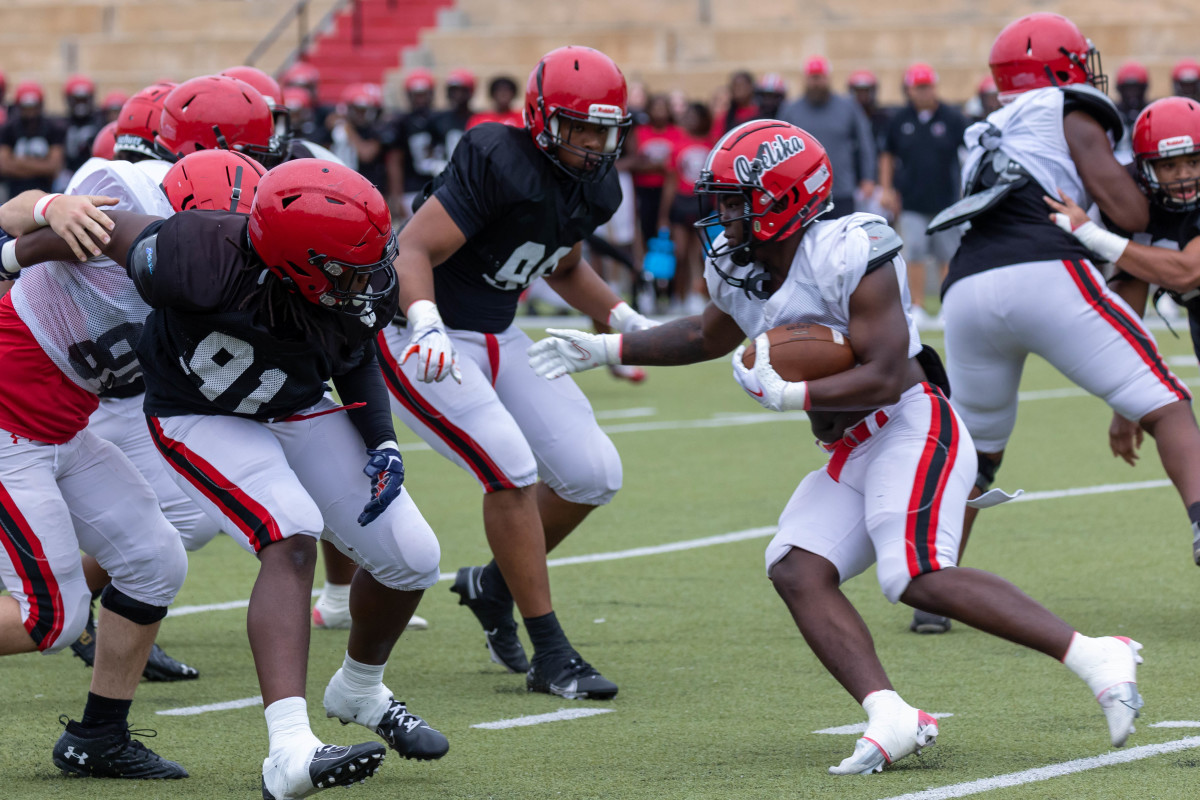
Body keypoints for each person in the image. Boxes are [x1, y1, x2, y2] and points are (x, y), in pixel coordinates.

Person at [528, 118, 1146, 773]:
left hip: (914, 422)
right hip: (853, 446)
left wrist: (788, 396)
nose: (722, 213)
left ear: (783, 198)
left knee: (912, 575)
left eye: (737, 200)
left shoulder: (852, 247)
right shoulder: (742, 265)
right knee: (796, 566)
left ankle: (1094, 653)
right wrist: (604, 346)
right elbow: (708, 334)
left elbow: (882, 374)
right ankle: (891, 713)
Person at [14, 158, 449, 797]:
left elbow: (356, 356)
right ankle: (289, 751)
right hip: (196, 412)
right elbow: (98, 230)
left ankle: (358, 689)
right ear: (296, 263)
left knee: (413, 556)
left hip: (294, 404)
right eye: (349, 269)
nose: (372, 277)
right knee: (291, 531)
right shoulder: (194, 254)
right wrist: (8, 253)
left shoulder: (357, 278)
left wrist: (382, 441)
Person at [378, 45, 650, 700]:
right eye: (579, 127)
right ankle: (550, 652)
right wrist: (425, 321)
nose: (592, 144)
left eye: (602, 129)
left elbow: (561, 265)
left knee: (592, 472)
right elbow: (411, 246)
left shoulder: (598, 186)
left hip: (500, 333)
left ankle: (492, 585)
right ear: (542, 119)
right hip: (424, 332)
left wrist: (621, 317)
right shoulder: (498, 156)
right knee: (508, 466)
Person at [936, 14, 1200, 579]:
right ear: (1064, 67)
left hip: (965, 291)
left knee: (978, 450)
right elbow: (1130, 213)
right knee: (1170, 404)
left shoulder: (983, 130)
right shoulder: (1069, 109)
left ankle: (937, 576)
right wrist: (1103, 223)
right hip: (1045, 270)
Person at [0, 164, 189, 781]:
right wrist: (52, 203)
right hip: (7, 424)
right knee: (50, 619)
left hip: (62, 429)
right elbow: (17, 215)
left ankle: (99, 737)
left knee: (154, 559)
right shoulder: (130, 199)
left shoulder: (218, 254)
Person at [1046, 96, 1200, 533]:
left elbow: (1188, 271)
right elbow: (1130, 290)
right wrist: (1126, 399)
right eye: (1169, 166)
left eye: (1192, 161)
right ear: (1147, 167)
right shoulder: (1133, 198)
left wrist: (1091, 235)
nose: (1184, 174)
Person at [879, 62, 968, 330]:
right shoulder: (900, 119)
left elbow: (968, 152)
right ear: (909, 90)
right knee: (914, 253)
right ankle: (917, 305)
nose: (922, 93)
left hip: (946, 201)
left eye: (927, 87)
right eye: (918, 88)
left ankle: (947, 306)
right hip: (912, 200)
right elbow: (887, 155)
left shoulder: (952, 118)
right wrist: (887, 188)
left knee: (948, 255)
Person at [780, 56, 876, 219]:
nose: (816, 82)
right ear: (806, 79)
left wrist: (868, 178)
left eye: (820, 77)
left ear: (828, 78)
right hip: (803, 195)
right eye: (813, 78)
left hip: (841, 190)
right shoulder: (791, 110)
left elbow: (865, 144)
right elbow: (780, 149)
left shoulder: (849, 107)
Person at [658, 101, 714, 315]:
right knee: (680, 254)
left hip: (702, 203)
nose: (689, 120)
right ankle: (678, 298)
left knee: (701, 255)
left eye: (694, 116)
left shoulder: (711, 145)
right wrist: (664, 215)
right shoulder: (677, 146)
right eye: (687, 116)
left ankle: (702, 297)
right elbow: (670, 181)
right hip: (681, 202)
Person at [386, 69, 439, 221]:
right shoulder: (402, 122)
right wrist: (396, 197)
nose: (420, 99)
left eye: (423, 93)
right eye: (416, 94)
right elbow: (395, 161)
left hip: (441, 188)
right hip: (412, 189)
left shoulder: (442, 119)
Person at [0, 81, 64, 196]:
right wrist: (41, 166)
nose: (30, 113)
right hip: (14, 192)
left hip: (45, 191)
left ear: (40, 105)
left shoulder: (53, 128)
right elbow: (4, 166)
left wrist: (19, 162)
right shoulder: (8, 129)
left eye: (33, 107)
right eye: (26, 108)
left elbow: (54, 166)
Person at [1113, 61, 1150, 164]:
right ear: (1120, 89)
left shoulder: (1150, 110)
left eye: (1136, 88)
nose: (1132, 94)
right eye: (1128, 89)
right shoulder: (1112, 111)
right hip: (1117, 163)